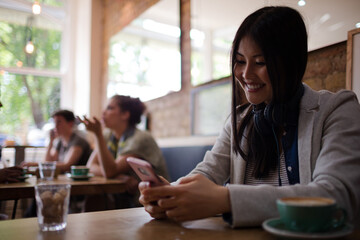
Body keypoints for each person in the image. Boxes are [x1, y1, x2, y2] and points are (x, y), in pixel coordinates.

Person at [138, 6, 360, 227]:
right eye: (241, 61)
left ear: (291, 62)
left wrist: (226, 199)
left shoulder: (337, 108)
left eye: (260, 62)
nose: (246, 74)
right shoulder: (238, 119)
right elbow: (208, 172)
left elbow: (337, 196)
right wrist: (170, 194)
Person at [78, 95, 168, 209]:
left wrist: (98, 135)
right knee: (94, 198)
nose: (103, 112)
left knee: (96, 199)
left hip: (149, 203)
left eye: (110, 108)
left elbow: (110, 171)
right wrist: (118, 176)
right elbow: (90, 166)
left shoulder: (140, 138)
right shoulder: (108, 135)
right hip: (121, 198)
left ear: (125, 114)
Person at [22, 110, 92, 173]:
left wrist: (34, 164)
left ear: (70, 123)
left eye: (59, 122)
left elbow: (66, 166)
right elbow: (48, 161)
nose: (55, 126)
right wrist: (51, 141)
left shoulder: (78, 141)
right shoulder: (60, 142)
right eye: (54, 122)